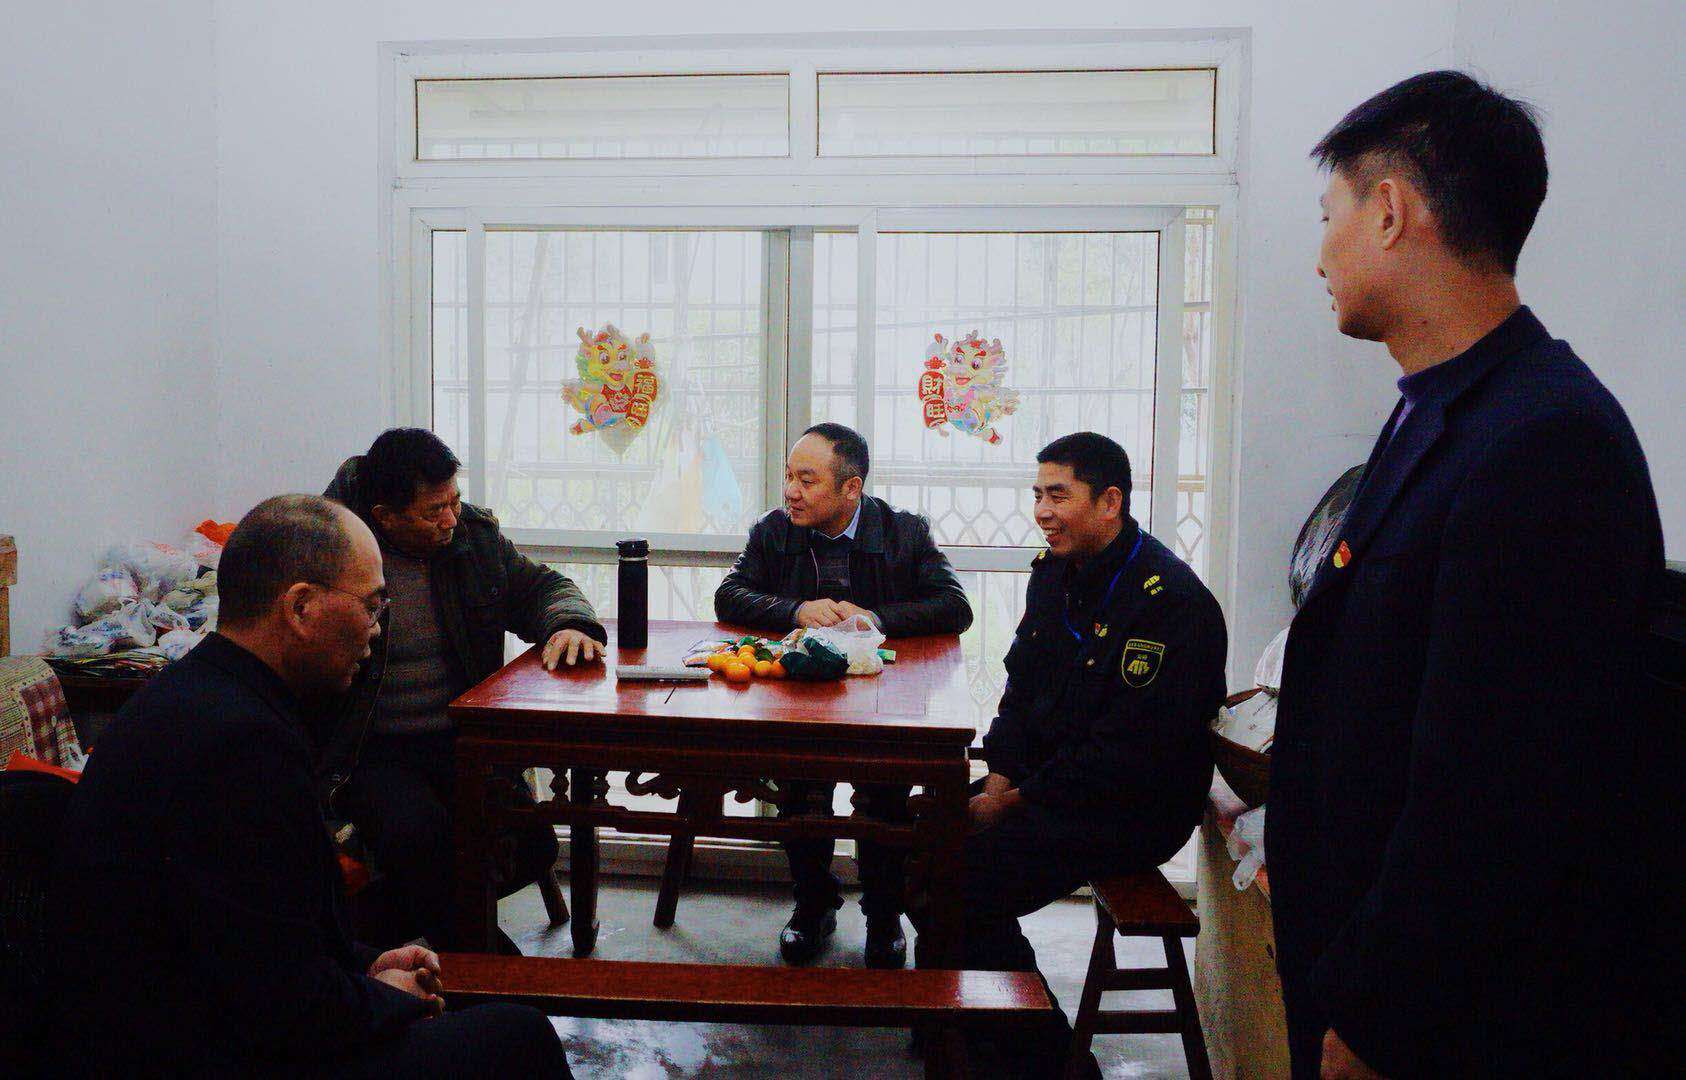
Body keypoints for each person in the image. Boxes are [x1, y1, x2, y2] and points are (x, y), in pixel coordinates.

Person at [1270, 71, 1668, 1079]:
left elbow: (1497, 790)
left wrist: (1379, 1014)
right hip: (1364, 962)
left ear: (1390, 211)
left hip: (1448, 1020)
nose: (1320, 254)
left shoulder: (1547, 440)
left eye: (1329, 216)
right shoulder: (1440, 407)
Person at [49, 496, 571, 1075]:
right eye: (372, 607)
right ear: (301, 607)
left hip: (195, 1017)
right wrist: (388, 997)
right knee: (519, 1036)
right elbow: (282, 1008)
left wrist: (367, 963)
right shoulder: (243, 747)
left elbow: (268, 934)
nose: (376, 632)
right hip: (185, 1051)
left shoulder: (196, 692)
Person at [910, 431, 1226, 1079]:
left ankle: (1050, 1061)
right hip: (1048, 784)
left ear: (1110, 502)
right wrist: (997, 776)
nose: (1042, 512)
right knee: (916, 842)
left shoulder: (1169, 603)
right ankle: (965, 1015)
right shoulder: (1055, 575)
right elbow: (1021, 688)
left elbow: (1126, 754)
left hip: (1132, 808)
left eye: (1058, 496)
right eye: (1038, 495)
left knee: (962, 883)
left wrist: (1012, 803)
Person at [319, 428, 605, 949]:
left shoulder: (473, 539)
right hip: (371, 750)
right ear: (384, 516)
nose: (451, 519)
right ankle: (485, 959)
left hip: (462, 738)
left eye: (454, 501)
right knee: (420, 837)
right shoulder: (331, 555)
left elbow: (544, 587)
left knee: (532, 843)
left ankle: (397, 936)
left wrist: (568, 624)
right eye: (435, 511)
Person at [716, 422, 973, 969]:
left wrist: (875, 618)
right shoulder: (774, 531)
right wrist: (794, 610)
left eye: (807, 480)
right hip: (800, 701)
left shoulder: (903, 532)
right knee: (800, 798)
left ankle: (884, 916)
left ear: (851, 488)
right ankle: (813, 906)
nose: (791, 491)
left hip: (882, 702)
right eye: (789, 477)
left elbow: (955, 606)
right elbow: (729, 594)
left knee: (884, 801)